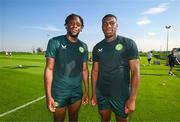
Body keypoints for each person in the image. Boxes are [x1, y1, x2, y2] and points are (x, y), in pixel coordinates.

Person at [91, 14, 140, 122]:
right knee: (104, 119)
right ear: (102, 27)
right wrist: (94, 94)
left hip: (121, 96)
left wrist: (132, 99)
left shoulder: (129, 43)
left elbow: (135, 73)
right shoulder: (97, 47)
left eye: (112, 23)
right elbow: (95, 72)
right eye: (105, 24)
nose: (108, 26)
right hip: (102, 94)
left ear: (117, 25)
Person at [44, 13, 89, 122]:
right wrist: (48, 96)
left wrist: (87, 91)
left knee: (74, 118)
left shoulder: (83, 46)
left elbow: (84, 70)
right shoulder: (55, 42)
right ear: (66, 26)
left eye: (78, 24)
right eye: (71, 23)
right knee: (58, 120)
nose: (75, 26)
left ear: (81, 28)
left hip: (77, 92)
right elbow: (49, 69)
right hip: (59, 92)